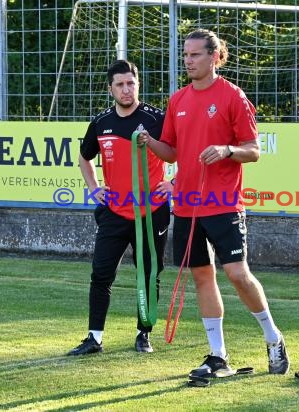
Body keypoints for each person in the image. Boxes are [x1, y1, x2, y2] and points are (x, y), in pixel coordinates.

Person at [138, 29, 290, 375]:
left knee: (236, 273)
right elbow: (172, 150)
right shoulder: (177, 100)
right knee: (202, 277)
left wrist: (226, 150)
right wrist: (148, 142)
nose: (188, 61)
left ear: (214, 57)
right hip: (187, 205)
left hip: (223, 203)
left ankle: (273, 337)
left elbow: (253, 151)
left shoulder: (233, 97)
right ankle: (218, 355)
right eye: (186, 55)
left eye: (195, 55)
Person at [67, 59, 171, 355]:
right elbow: (84, 158)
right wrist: (94, 188)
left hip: (151, 212)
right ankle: (94, 338)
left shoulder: (156, 120)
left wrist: (175, 184)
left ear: (138, 84)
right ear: (110, 88)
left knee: (149, 272)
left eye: (131, 83)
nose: (127, 90)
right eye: (120, 85)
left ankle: (144, 333)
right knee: (101, 273)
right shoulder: (101, 122)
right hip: (114, 210)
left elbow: (181, 152)